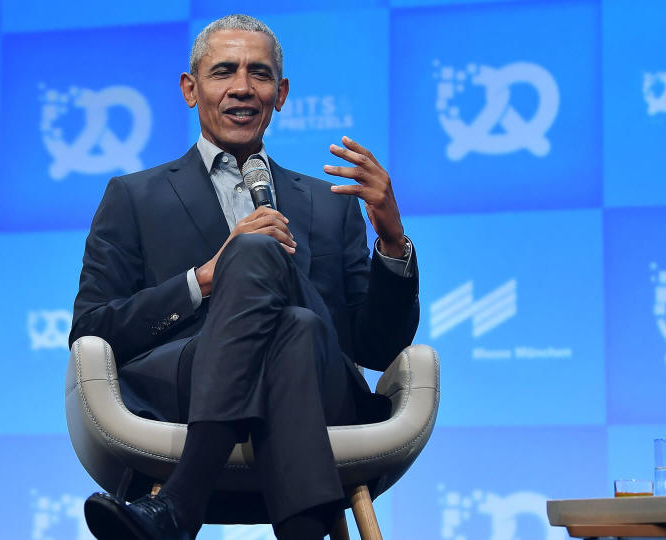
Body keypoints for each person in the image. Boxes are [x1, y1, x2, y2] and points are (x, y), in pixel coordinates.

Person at [70, 14, 419, 540]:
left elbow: (376, 347)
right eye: (223, 72)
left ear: (280, 94)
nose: (242, 88)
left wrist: (392, 241)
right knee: (293, 327)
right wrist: (203, 279)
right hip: (187, 379)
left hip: (324, 386)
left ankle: (180, 503)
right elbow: (92, 326)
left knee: (285, 299)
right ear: (191, 89)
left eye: (259, 74)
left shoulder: (330, 206)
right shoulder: (134, 196)